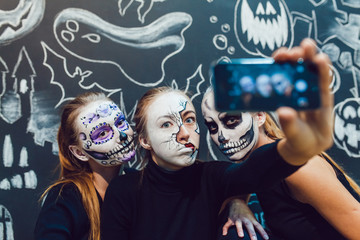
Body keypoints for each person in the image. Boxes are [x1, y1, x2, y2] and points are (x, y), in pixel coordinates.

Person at [101, 39, 334, 240]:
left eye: (190, 119)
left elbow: (254, 170)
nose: (184, 133)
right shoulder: (123, 192)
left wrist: (296, 148)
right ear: (144, 141)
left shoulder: (212, 177)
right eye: (166, 124)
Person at [201, 39, 360, 240]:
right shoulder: (256, 171)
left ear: (259, 117)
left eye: (231, 120)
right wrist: (237, 203)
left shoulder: (298, 169)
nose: (221, 136)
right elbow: (246, 178)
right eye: (212, 127)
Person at [34, 92, 136, 240]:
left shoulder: (140, 182)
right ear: (79, 152)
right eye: (102, 134)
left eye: (120, 123)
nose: (122, 135)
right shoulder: (66, 197)